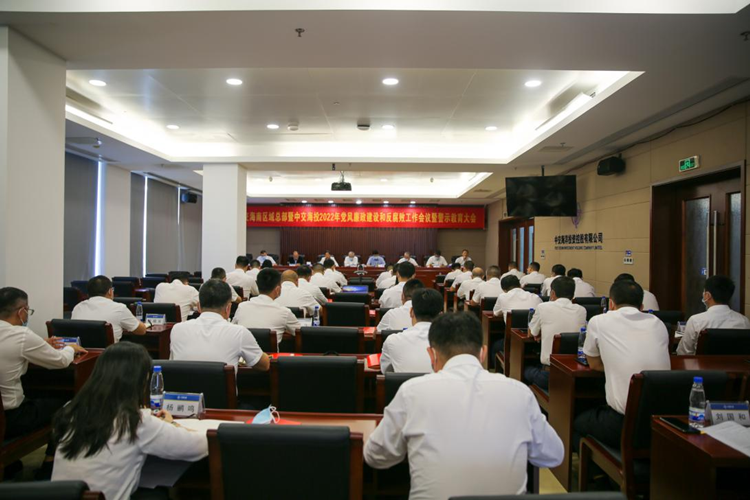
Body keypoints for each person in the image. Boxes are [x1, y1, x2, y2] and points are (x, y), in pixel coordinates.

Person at [364, 312, 564, 500]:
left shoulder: (412, 392)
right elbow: (553, 455)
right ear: (483, 353)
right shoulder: (519, 393)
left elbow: (375, 455)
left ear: (431, 354)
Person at [52, 342, 208, 500]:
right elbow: (199, 446)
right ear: (140, 381)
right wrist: (172, 424)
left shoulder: (70, 410)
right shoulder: (135, 422)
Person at [1, 287, 87, 477]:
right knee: (69, 404)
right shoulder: (21, 335)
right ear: (21, 311)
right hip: (11, 419)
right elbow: (61, 361)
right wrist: (71, 349)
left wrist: (41, 344)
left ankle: (11, 464)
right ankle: (50, 463)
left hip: (6, 416)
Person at [574, 280, 670, 450]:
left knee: (576, 423)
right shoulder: (658, 323)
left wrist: (616, 365)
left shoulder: (599, 321)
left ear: (611, 303)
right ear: (642, 306)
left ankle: (598, 465)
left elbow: (594, 364)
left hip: (623, 423)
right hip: (662, 425)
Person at [170, 279, 270, 372]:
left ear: (199, 306)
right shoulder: (239, 333)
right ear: (228, 308)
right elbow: (264, 365)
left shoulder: (177, 329)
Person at [526, 277, 587, 390]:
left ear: (552, 293)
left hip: (549, 376)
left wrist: (541, 332)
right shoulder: (582, 310)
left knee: (525, 369)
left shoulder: (543, 307)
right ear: (573, 295)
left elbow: (531, 333)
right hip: (576, 376)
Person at [677, 275, 750, 355]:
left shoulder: (695, 321)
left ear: (707, 295)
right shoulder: (744, 321)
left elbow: (683, 353)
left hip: (703, 363)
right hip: (737, 363)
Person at [233, 268, 301, 346]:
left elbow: (233, 329)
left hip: (243, 353)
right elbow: (301, 332)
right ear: (277, 289)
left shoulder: (242, 307)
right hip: (270, 354)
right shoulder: (284, 312)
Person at [380, 288, 442, 373]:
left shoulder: (392, 341)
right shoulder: (451, 343)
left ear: (411, 312)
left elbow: (385, 372)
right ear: (440, 315)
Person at [72, 276, 148, 342]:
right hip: (109, 353)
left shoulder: (78, 307)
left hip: (82, 353)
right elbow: (141, 330)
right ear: (110, 291)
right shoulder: (119, 309)